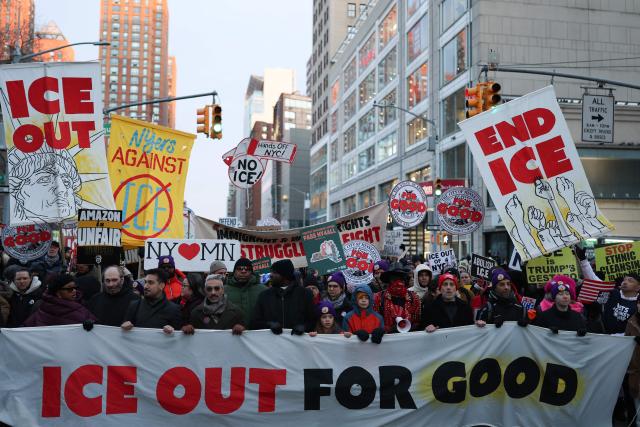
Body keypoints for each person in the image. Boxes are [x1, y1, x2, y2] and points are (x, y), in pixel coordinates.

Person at [251, 260, 315, 334]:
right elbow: (254, 322)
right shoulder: (264, 295)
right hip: (272, 343)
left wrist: (304, 327)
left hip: (298, 343)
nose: (270, 275)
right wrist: (268, 324)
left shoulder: (305, 294)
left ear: (285, 275)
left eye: (274, 272)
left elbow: (313, 320)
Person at [121, 268, 182, 334]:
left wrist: (173, 331)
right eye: (145, 282)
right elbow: (125, 334)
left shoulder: (174, 309)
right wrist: (125, 326)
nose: (145, 286)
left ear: (161, 285)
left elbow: (178, 338)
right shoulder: (134, 306)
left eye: (150, 283)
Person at [24, 274, 96, 327]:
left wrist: (91, 325)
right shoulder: (43, 308)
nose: (74, 291)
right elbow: (27, 329)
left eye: (75, 288)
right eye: (69, 289)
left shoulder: (83, 306)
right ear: (58, 293)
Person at [374, 267, 421, 333]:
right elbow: (375, 321)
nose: (398, 283)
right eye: (394, 279)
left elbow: (417, 321)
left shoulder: (414, 297)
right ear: (389, 281)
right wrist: (388, 329)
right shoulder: (379, 297)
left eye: (401, 280)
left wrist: (407, 328)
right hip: (387, 338)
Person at [226, 258, 266, 327]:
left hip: (257, 334)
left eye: (247, 269)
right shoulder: (223, 290)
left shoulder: (263, 290)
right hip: (230, 335)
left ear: (251, 272)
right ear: (234, 271)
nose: (243, 271)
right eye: (239, 269)